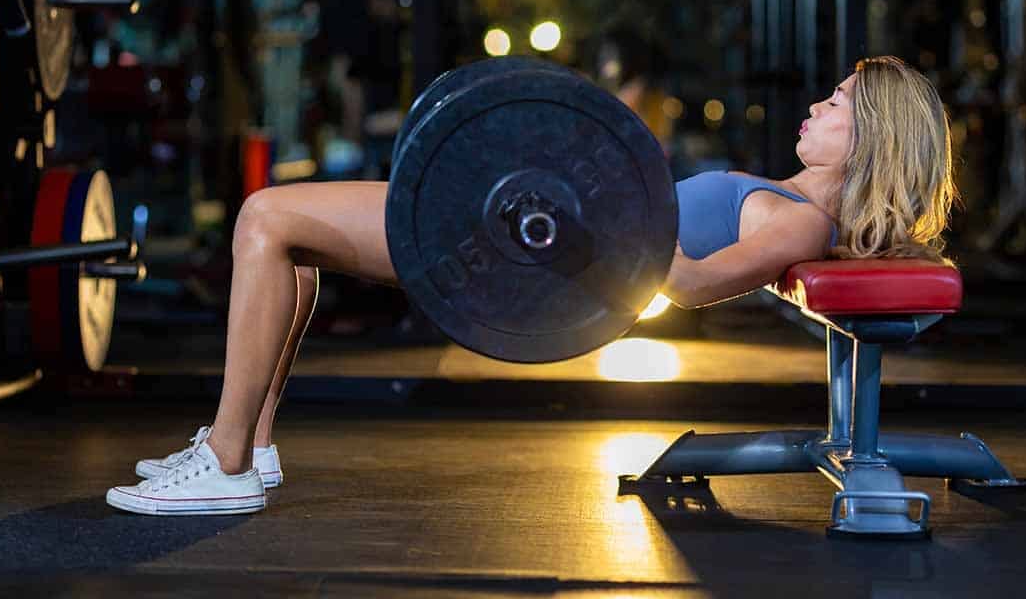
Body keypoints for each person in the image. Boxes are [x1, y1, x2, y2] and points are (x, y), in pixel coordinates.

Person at [105, 55, 956, 515]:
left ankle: (226, 460)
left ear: (873, 137)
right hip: (522, 243)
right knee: (286, 240)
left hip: (518, 259)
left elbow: (692, 284)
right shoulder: (791, 206)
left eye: (839, 103)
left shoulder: (799, 223)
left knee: (263, 217)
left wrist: (578, 232)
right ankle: (244, 450)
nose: (816, 105)